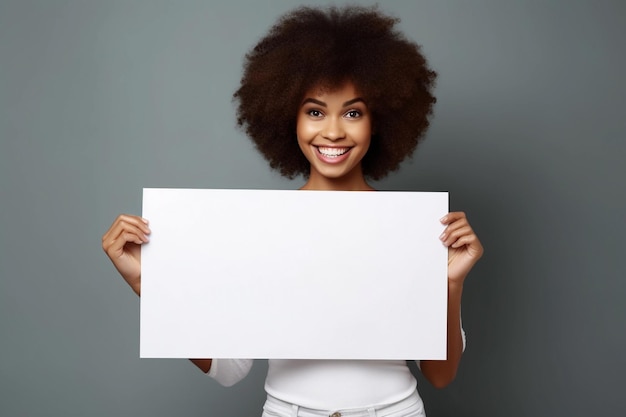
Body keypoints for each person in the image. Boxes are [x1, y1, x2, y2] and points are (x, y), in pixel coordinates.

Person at [102, 5, 483, 417]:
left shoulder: (415, 228)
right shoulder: (261, 227)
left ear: (379, 121)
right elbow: (230, 369)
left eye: (353, 112)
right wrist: (150, 284)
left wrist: (450, 285)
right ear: (289, 117)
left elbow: (440, 375)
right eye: (315, 111)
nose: (333, 131)